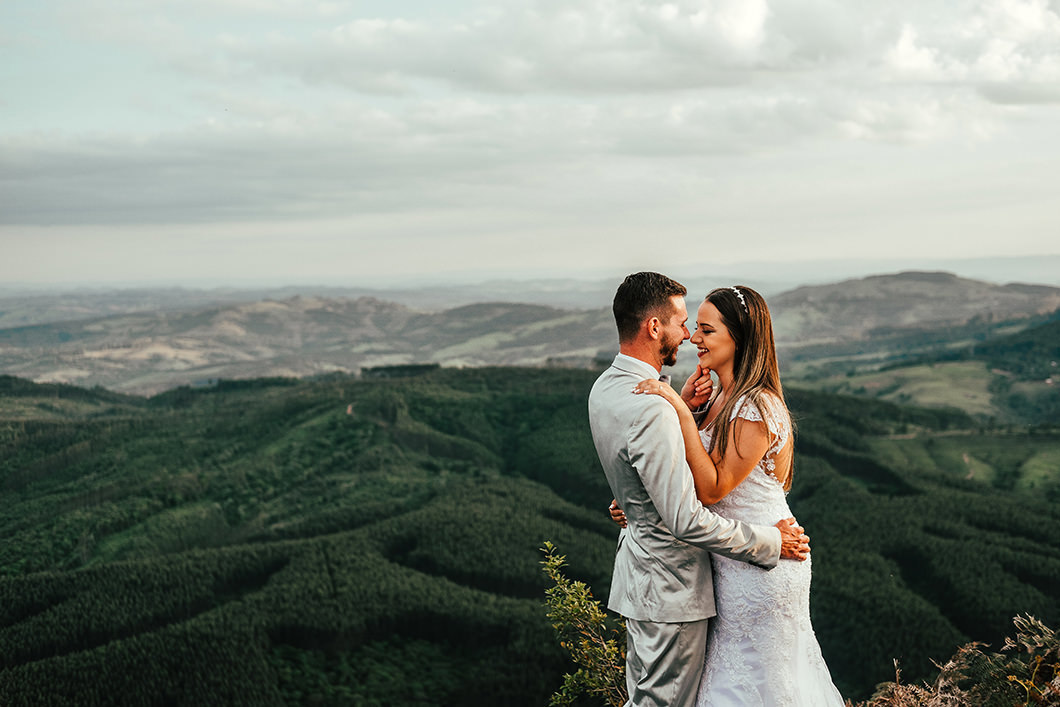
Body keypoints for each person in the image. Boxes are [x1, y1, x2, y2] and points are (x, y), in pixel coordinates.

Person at [614, 284, 844, 706]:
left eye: (706, 330)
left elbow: (714, 486)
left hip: (763, 568)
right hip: (728, 564)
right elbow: (685, 474)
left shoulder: (757, 405)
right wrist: (643, 500)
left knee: (762, 686)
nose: (693, 339)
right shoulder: (718, 398)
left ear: (740, 338)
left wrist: (679, 411)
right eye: (694, 328)